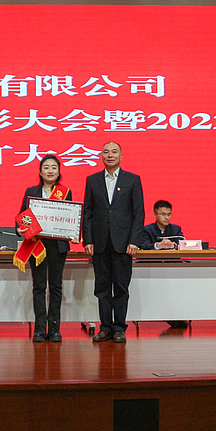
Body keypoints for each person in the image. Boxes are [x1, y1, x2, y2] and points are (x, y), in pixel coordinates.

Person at [83, 142, 144, 344]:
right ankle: (105, 328)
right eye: (106, 152)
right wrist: (88, 239)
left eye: (114, 151)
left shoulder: (132, 180)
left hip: (123, 244)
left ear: (121, 156)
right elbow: (88, 213)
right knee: (102, 288)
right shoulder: (92, 180)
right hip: (100, 243)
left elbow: (138, 213)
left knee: (120, 287)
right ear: (101, 156)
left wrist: (134, 240)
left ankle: (119, 328)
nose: (110, 155)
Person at [16, 154, 78, 343]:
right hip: (37, 245)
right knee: (39, 287)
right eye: (46, 167)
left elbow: (69, 217)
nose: (50, 171)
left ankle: (55, 329)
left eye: (54, 167)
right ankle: (39, 330)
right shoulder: (31, 191)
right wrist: (19, 229)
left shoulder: (65, 192)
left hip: (58, 246)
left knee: (56, 287)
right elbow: (22, 216)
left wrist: (74, 232)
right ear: (40, 172)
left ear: (59, 172)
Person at [142, 200, 188, 329]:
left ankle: (175, 315)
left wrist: (174, 246)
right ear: (155, 215)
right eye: (163, 214)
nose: (166, 217)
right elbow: (143, 245)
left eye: (169, 214)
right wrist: (158, 246)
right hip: (152, 267)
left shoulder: (176, 229)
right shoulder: (147, 230)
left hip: (172, 267)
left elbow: (182, 243)